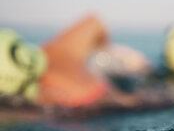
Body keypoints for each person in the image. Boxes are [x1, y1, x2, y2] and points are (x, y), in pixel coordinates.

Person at [0, 14, 151, 109]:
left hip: (119, 104)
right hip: (123, 83)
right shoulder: (55, 50)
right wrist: (105, 51)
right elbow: (94, 21)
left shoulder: (46, 97)